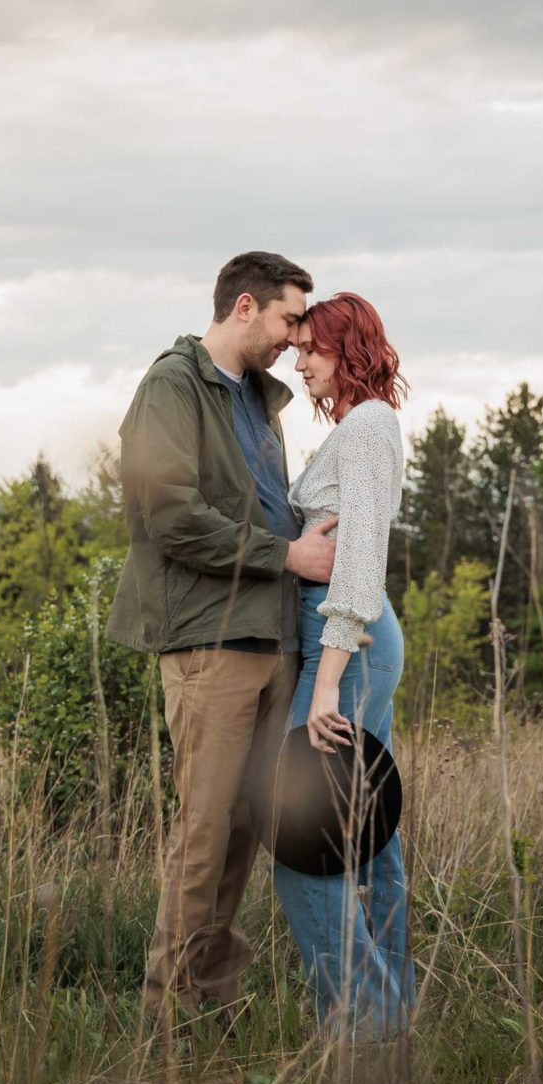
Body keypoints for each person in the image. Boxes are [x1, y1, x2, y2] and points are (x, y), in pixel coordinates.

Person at [107, 251, 344, 1031]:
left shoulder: (258, 402)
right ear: (245, 307)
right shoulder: (172, 388)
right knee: (204, 829)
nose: (293, 338)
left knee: (245, 830)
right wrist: (287, 556)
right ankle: (163, 1018)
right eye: (286, 320)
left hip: (271, 639)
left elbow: (266, 508)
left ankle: (209, 1001)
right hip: (210, 642)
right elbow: (168, 516)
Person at [272, 290, 416, 1044]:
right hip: (353, 641)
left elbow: (359, 560)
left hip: (346, 646)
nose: (301, 364)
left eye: (312, 350)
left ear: (347, 346)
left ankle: (364, 1022)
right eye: (296, 350)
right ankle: (393, 1016)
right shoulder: (366, 425)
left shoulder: (366, 425)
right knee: (367, 832)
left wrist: (327, 683)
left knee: (303, 842)